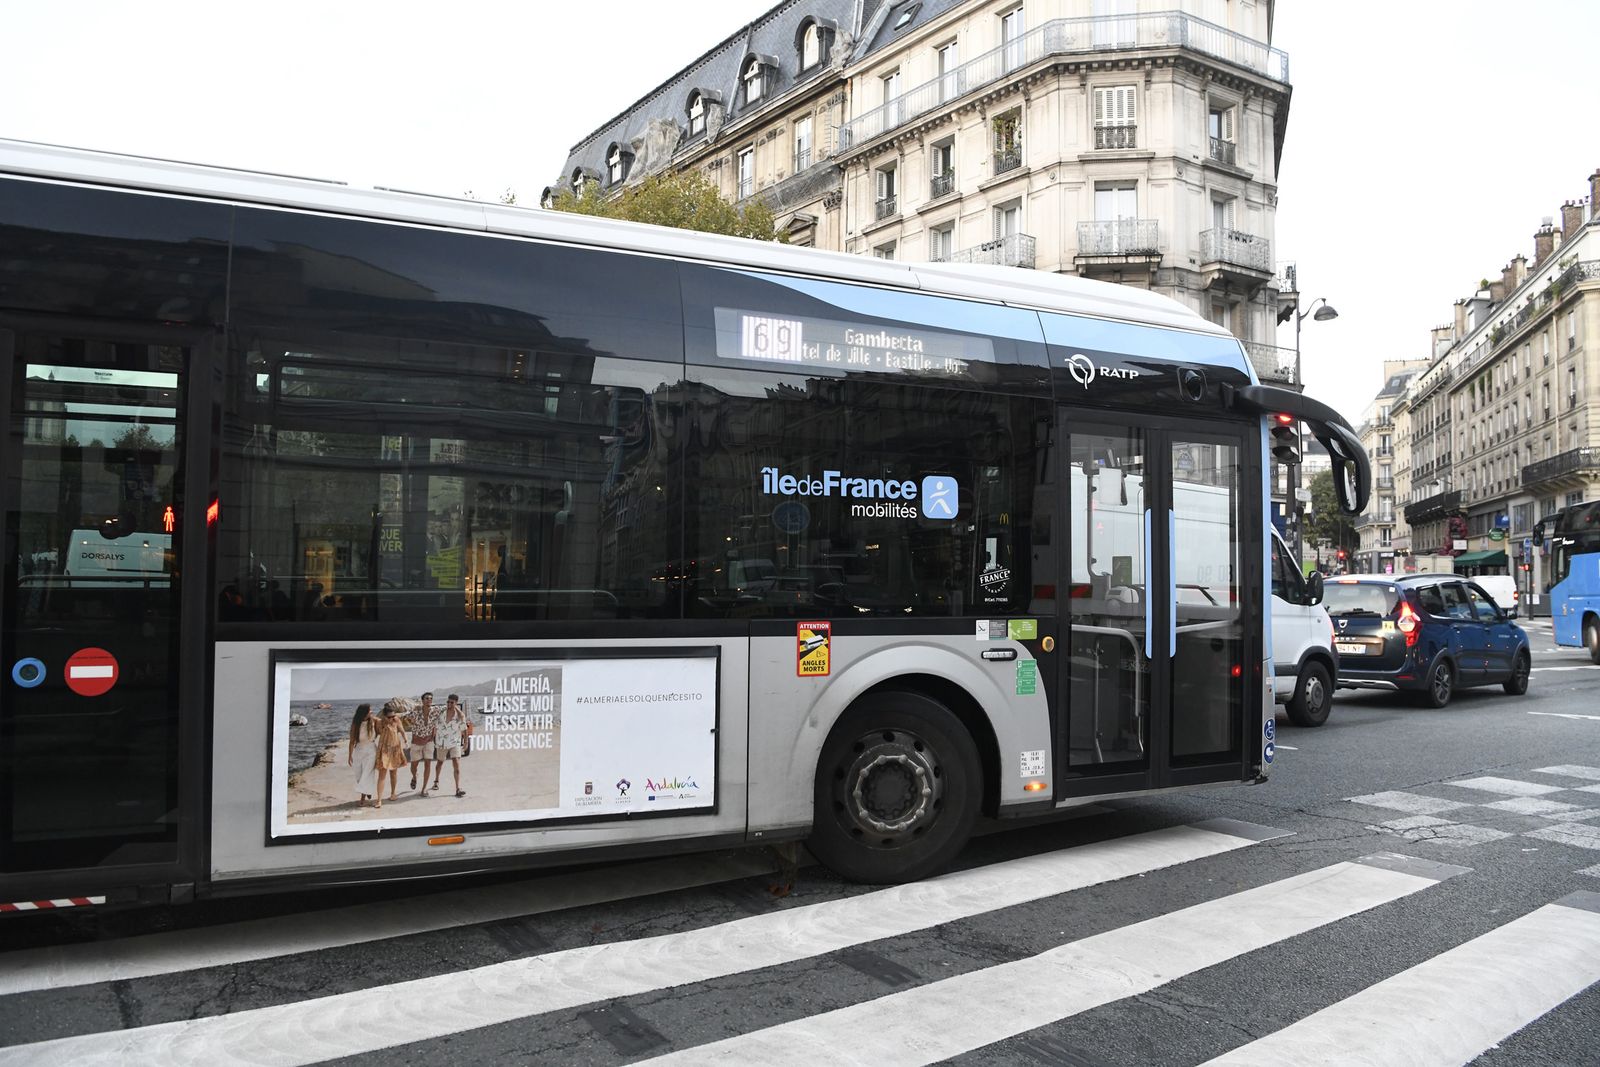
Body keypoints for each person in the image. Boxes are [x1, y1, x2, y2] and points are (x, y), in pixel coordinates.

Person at [433, 693, 471, 798]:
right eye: (448, 702)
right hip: (442, 741)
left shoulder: (460, 716)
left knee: (456, 763)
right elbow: (434, 724)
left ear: (456, 703)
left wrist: (466, 742)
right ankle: (436, 780)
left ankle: (458, 788)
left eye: (452, 702)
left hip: (454, 742)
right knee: (440, 763)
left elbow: (464, 729)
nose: (449, 704)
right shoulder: (441, 712)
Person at [374, 698, 410, 808]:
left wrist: (406, 740)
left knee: (393, 774)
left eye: (393, 716)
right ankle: (379, 800)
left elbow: (402, 731)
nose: (392, 718)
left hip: (395, 749)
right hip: (384, 750)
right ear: (384, 716)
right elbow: (376, 733)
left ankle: (393, 794)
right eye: (389, 717)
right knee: (382, 775)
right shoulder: (380, 723)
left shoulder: (396, 720)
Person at [406, 691, 441, 797]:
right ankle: (414, 777)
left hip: (429, 741)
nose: (429, 700)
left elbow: (449, 708)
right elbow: (406, 718)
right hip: (417, 742)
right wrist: (412, 726)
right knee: (414, 766)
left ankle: (424, 788)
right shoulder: (416, 712)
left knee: (428, 764)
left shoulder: (435, 711)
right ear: (422, 701)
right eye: (427, 698)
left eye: (431, 698)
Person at [347, 703, 379, 807]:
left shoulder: (374, 721)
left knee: (367, 774)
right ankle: (367, 790)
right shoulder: (356, 724)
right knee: (359, 775)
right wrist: (350, 755)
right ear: (364, 712)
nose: (371, 711)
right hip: (359, 750)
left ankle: (362, 798)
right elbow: (352, 741)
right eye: (370, 710)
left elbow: (385, 721)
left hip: (371, 750)